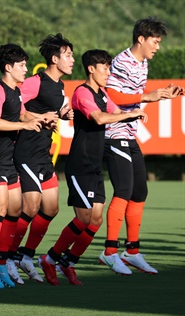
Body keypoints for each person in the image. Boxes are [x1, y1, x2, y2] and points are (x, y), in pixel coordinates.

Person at [38, 49, 147, 286]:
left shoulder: (102, 93)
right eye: (105, 68)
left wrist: (134, 112)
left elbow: (115, 111)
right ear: (91, 69)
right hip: (80, 165)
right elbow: (99, 118)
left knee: (95, 219)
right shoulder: (82, 93)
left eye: (109, 68)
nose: (109, 72)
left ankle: (68, 262)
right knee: (84, 217)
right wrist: (130, 115)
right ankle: (49, 258)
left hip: (95, 164)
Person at [99, 17, 183, 275]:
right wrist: (148, 96)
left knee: (140, 193)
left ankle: (132, 251)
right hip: (114, 132)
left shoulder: (143, 63)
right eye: (155, 42)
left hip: (130, 132)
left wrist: (164, 94)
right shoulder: (121, 61)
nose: (157, 47)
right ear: (141, 39)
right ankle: (109, 253)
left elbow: (133, 98)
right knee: (123, 190)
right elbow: (112, 96)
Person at [5, 34, 75, 284]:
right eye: (68, 55)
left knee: (51, 209)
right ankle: (9, 258)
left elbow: (51, 112)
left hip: (43, 154)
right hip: (25, 152)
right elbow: (15, 105)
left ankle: (26, 255)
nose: (72, 60)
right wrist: (37, 117)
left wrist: (63, 113)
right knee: (31, 207)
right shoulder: (35, 81)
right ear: (54, 59)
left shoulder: (59, 86)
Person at [0, 43, 43, 289]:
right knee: (0, 209)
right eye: (22, 65)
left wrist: (40, 118)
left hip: (6, 159)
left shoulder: (15, 90)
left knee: (15, 210)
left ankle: (1, 263)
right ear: (8, 67)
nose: (26, 69)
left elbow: (23, 114)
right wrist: (24, 126)